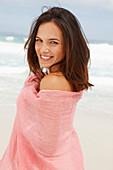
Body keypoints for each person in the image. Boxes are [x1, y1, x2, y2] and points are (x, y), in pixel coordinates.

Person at [0, 7, 93, 170]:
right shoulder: (65, 78)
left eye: (53, 42)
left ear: (69, 45)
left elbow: (44, 145)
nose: (43, 49)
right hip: (68, 158)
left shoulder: (53, 82)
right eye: (39, 40)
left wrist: (29, 88)